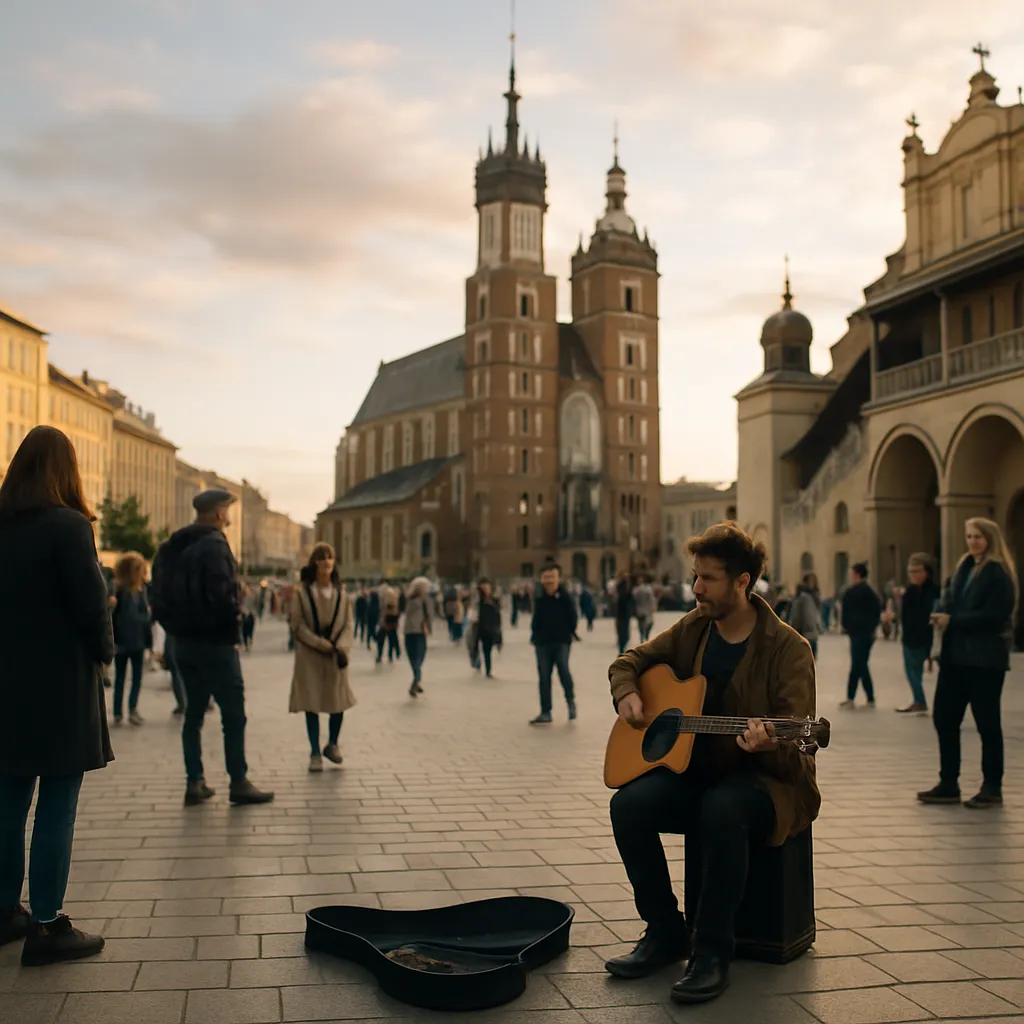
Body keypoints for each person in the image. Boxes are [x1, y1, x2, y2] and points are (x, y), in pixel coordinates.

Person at [604, 523, 819, 1005]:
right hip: (701, 772)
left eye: (708, 579)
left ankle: (712, 952)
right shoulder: (696, 627)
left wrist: (770, 743)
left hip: (770, 782)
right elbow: (628, 660)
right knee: (629, 806)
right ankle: (664, 932)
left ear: (742, 583)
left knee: (723, 809)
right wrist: (628, 695)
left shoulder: (788, 649)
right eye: (694, 576)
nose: (695, 588)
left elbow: (798, 738)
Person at [0, 426, 112, 965]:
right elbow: (91, 607)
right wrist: (105, 651)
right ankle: (45, 925)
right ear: (66, 471)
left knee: (7, 802)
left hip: (6, 687)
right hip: (61, 689)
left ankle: (3, 911)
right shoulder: (68, 527)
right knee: (56, 806)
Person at [150, 489, 273, 807]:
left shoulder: (170, 547)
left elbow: (157, 598)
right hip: (216, 644)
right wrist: (232, 636)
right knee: (233, 714)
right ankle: (238, 781)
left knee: (193, 714)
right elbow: (222, 598)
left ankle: (195, 781)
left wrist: (174, 630)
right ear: (219, 514)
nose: (229, 517)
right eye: (227, 511)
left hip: (183, 645)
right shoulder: (216, 545)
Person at [919, 518, 1018, 809]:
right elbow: (949, 601)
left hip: (985, 661)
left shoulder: (998, 574)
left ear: (990, 539)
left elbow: (995, 615)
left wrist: (955, 621)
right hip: (955, 658)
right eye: (969, 536)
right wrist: (940, 614)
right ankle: (949, 783)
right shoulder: (963, 568)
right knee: (944, 718)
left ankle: (992, 786)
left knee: (988, 724)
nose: (973, 541)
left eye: (978, 536)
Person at [289, 543, 355, 773]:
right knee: (312, 701)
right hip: (310, 654)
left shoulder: (342, 594)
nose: (326, 561)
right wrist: (319, 643)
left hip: (336, 654)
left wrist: (342, 646)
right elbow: (297, 625)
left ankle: (333, 744)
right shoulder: (303, 593)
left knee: (338, 700)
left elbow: (348, 624)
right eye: (321, 558)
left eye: (330, 557)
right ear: (314, 563)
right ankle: (315, 751)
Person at [529, 563, 579, 725]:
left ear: (558, 579)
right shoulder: (539, 597)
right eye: (545, 577)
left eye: (552, 577)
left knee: (563, 669)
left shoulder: (565, 597)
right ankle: (545, 711)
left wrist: (568, 632)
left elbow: (573, 617)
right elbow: (536, 618)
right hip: (542, 642)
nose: (548, 580)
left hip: (561, 641)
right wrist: (535, 634)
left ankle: (570, 701)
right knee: (544, 676)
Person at [109, 551, 152, 726]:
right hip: (124, 640)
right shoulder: (120, 591)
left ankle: (132, 709)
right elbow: (127, 617)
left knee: (136, 677)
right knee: (121, 678)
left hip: (138, 640)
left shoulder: (141, 591)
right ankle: (119, 711)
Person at [895, 554, 940, 715]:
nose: (914, 575)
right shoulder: (909, 591)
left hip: (928, 638)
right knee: (912, 672)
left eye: (917, 571)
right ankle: (919, 700)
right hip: (910, 638)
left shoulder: (935, 591)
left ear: (926, 572)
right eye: (911, 572)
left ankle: (924, 701)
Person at [839, 563, 881, 709]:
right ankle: (869, 697)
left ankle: (851, 698)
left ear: (856, 574)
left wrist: (847, 625)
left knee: (858, 664)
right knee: (861, 664)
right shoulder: (870, 592)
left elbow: (846, 612)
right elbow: (876, 612)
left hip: (859, 632)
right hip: (863, 632)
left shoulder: (855, 592)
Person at [404, 577, 432, 697]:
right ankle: (416, 681)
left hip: (408, 631)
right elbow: (429, 615)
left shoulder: (409, 599)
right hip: (419, 632)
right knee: (419, 656)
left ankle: (416, 681)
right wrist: (429, 629)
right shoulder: (424, 600)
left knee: (413, 657)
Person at [471, 578, 503, 678]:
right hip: (479, 627)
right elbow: (473, 612)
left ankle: (488, 670)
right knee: (474, 647)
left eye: (487, 587)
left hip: (491, 628)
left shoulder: (494, 600)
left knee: (487, 650)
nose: (486, 590)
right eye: (483, 588)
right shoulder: (478, 600)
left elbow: (498, 613)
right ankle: (477, 663)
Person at [786, 572, 822, 658]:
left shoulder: (806, 596)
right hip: (809, 635)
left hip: (807, 634)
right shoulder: (810, 596)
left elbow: (796, 617)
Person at [375, 580, 401, 664]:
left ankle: (380, 656)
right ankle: (390, 656)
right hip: (392, 620)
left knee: (382, 640)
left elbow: (386, 609)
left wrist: (382, 620)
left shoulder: (386, 596)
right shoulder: (393, 594)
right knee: (391, 639)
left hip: (387, 620)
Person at [614, 571, 634, 654]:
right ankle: (621, 649)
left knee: (624, 634)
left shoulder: (626, 593)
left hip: (624, 615)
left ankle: (621, 648)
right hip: (623, 615)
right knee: (623, 634)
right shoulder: (624, 594)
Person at [633, 576, 656, 643]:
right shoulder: (648, 589)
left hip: (639, 609)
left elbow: (634, 600)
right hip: (647, 609)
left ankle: (642, 635)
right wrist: (653, 607)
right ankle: (646, 634)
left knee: (640, 624)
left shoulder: (635, 590)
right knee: (650, 623)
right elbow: (651, 599)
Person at [240, 584, 257, 652]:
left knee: (250, 629)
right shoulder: (242, 596)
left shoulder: (253, 596)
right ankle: (246, 643)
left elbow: (256, 604)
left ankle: (250, 640)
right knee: (244, 630)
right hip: (244, 614)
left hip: (251, 614)